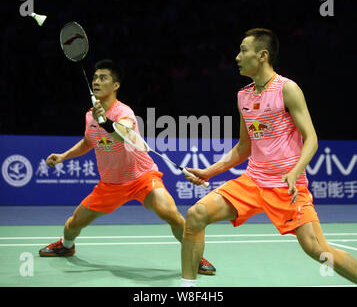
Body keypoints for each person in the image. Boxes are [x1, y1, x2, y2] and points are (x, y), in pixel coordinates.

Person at [180, 28, 357, 287]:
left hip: (286, 186)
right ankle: (188, 288)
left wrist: (295, 172)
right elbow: (244, 147)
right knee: (196, 215)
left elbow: (312, 139)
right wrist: (209, 172)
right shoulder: (243, 95)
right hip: (253, 181)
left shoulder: (287, 89)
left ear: (262, 55)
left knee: (317, 249)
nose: (237, 57)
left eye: (243, 50)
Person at [39, 59, 215, 275]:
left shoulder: (124, 112)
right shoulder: (89, 116)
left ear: (116, 85)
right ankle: (66, 247)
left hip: (141, 177)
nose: (96, 81)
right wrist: (64, 156)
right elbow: (88, 142)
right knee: (73, 224)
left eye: (103, 78)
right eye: (95, 77)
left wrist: (105, 121)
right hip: (110, 184)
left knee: (170, 213)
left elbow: (124, 133)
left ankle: (195, 256)